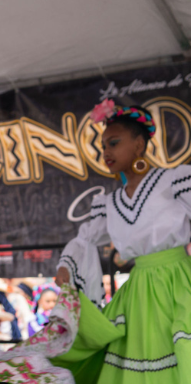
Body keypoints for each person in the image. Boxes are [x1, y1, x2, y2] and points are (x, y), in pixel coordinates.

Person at [54, 100, 191, 383]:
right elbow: (87, 238)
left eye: (114, 143)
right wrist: (67, 266)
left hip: (178, 283)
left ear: (139, 145)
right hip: (138, 291)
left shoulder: (175, 182)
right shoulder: (110, 202)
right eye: (103, 146)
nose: (106, 152)